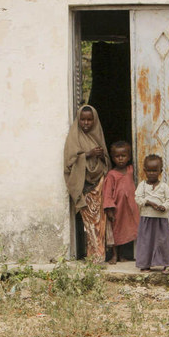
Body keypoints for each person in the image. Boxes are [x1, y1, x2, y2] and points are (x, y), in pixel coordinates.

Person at [64, 104, 111, 263]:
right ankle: (93, 257)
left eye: (89, 120)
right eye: (82, 119)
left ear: (95, 121)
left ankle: (99, 256)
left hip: (99, 185)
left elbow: (106, 161)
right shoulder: (73, 137)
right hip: (84, 185)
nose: (86, 123)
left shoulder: (97, 135)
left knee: (100, 221)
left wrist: (100, 156)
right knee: (89, 222)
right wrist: (89, 154)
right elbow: (70, 163)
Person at [135, 154, 169, 273]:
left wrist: (164, 207)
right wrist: (148, 203)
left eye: (155, 171)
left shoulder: (164, 186)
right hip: (146, 219)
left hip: (160, 219)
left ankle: (167, 264)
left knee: (163, 241)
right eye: (149, 171)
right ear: (144, 171)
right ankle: (145, 264)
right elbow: (138, 198)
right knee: (146, 241)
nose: (151, 173)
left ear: (160, 171)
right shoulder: (142, 185)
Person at [103, 140, 140, 265]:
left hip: (130, 207)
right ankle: (114, 255)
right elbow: (107, 193)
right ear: (112, 158)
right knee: (116, 231)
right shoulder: (111, 175)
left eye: (123, 156)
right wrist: (109, 208)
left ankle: (123, 255)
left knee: (127, 231)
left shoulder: (131, 170)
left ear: (129, 157)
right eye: (117, 156)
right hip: (117, 208)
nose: (120, 159)